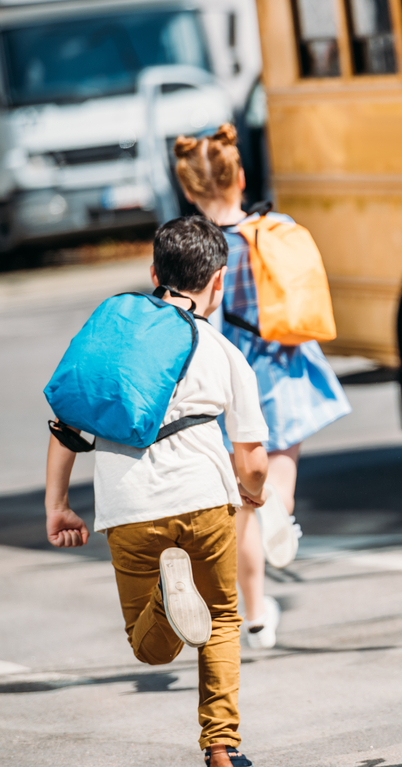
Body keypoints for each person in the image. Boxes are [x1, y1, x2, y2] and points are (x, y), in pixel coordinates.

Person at [44, 216, 270, 767]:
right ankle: (223, 749)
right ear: (218, 281)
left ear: (153, 273)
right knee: (220, 618)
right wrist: (252, 493)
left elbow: (66, 425)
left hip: (130, 507)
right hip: (205, 499)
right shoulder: (222, 351)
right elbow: (254, 459)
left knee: (148, 648)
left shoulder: (114, 346)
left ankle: (169, 608)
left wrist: (58, 505)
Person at [173, 124, 351, 649]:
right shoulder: (278, 227)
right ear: (240, 175)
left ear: (188, 190)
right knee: (278, 474)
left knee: (240, 505)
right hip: (281, 367)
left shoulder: (192, 246)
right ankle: (281, 509)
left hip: (223, 378)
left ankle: (254, 618)